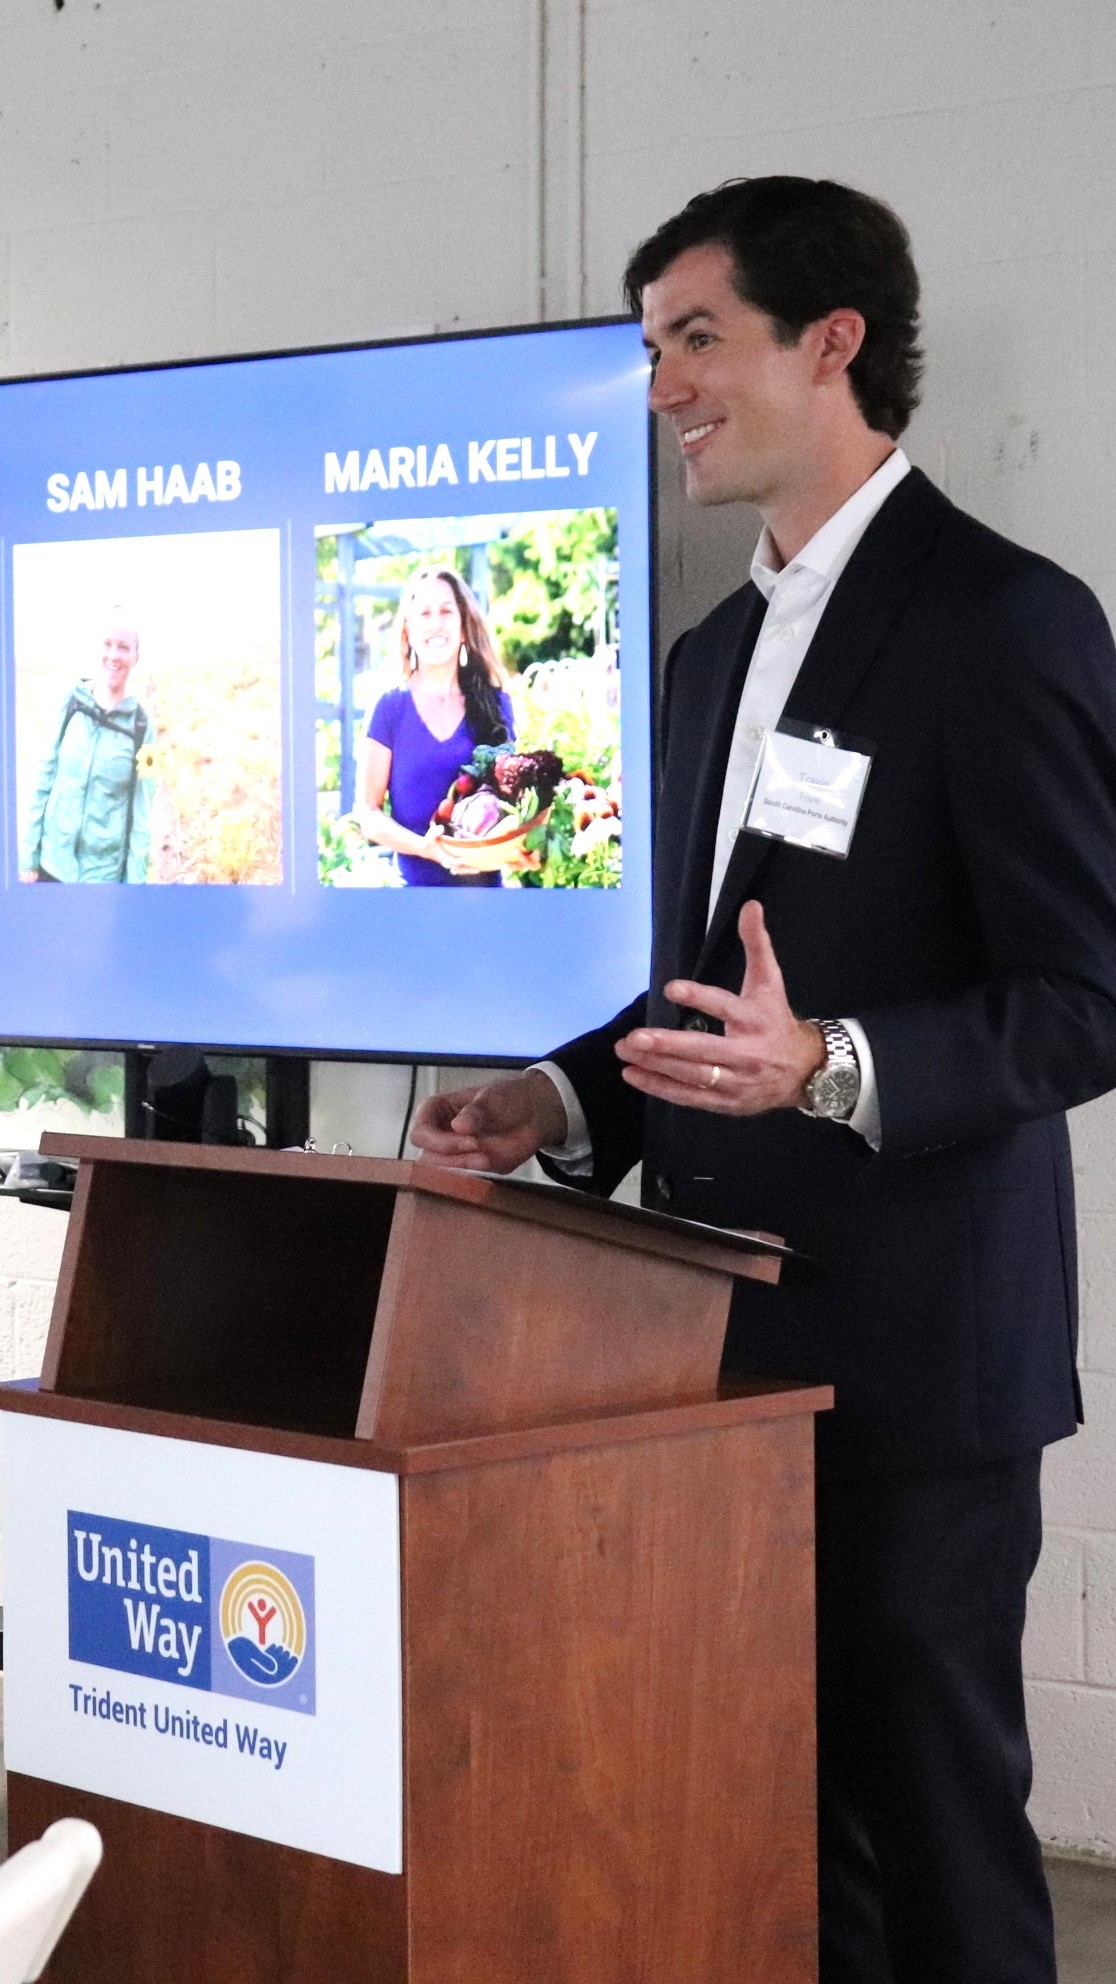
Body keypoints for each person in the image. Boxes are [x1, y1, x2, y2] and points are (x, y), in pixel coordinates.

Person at [412, 176, 1116, 1983]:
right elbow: (713, 998)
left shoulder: (1004, 619)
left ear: (832, 343)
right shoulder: (709, 651)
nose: (663, 383)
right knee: (778, 1829)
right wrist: (563, 1103)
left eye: (696, 338)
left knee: (941, 1833)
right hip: (706, 1359)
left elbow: (1083, 995)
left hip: (917, 1360)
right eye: (653, 348)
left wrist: (839, 1064)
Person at [357, 565, 515, 887]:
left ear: (464, 627)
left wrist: (509, 850)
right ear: (408, 630)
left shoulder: (496, 705)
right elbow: (367, 814)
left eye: (446, 611)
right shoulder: (389, 709)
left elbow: (514, 807)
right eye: (424, 614)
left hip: (487, 901)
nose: (436, 623)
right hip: (415, 906)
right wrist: (427, 849)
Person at [21, 616, 154, 885]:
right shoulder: (71, 701)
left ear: (136, 657)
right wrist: (28, 857)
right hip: (51, 866)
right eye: (107, 644)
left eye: (124, 647)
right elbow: (44, 778)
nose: (113, 655)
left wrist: (135, 887)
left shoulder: (143, 724)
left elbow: (143, 812)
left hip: (102, 879)